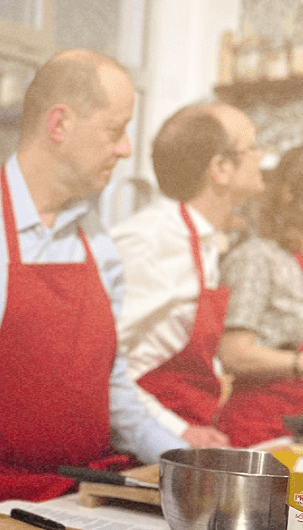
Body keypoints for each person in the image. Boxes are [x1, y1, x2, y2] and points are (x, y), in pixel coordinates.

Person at [0, 49, 187, 507]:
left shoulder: (97, 240)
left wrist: (186, 460)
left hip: (83, 495)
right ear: (59, 125)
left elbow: (110, 385)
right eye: (115, 131)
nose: (126, 149)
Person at [112, 103, 263, 448]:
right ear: (221, 168)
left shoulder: (204, 240)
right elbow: (101, 366)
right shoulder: (152, 241)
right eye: (253, 147)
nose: (261, 157)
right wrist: (174, 432)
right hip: (136, 447)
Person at [216, 145, 303, 446]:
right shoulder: (257, 258)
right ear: (290, 197)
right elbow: (233, 353)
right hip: (260, 429)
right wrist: (298, 363)